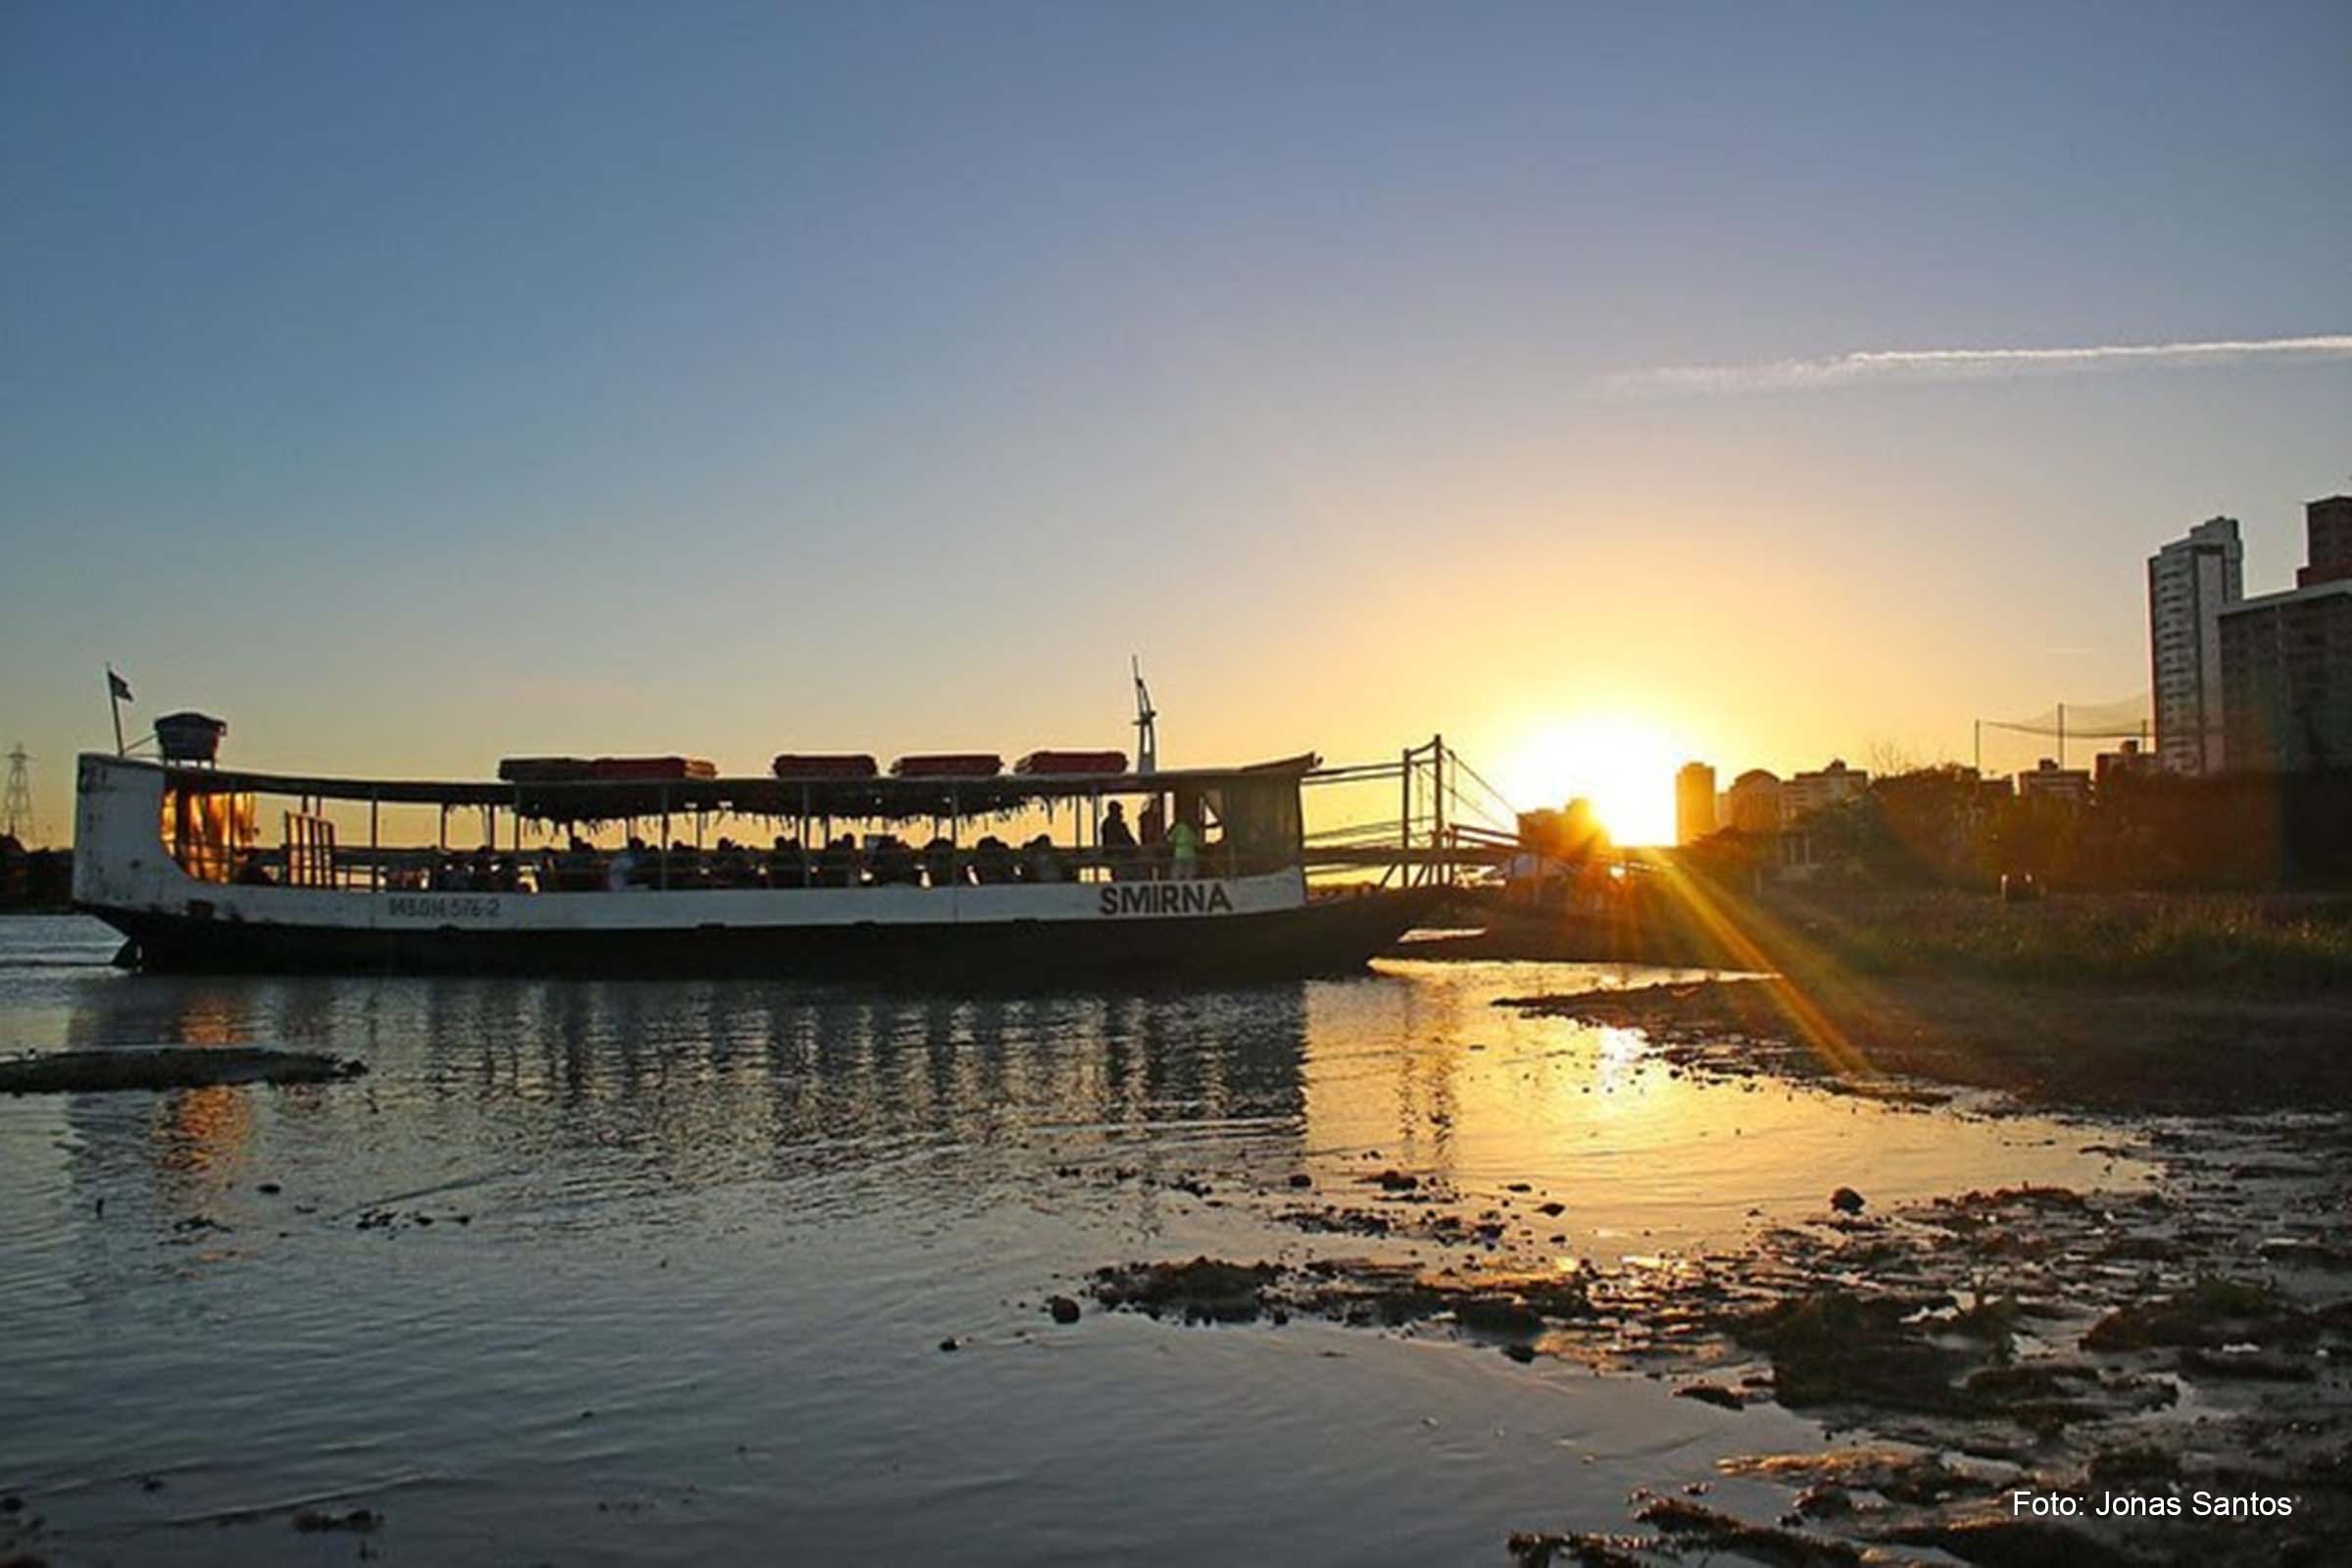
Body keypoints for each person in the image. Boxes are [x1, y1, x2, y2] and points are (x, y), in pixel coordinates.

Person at [1100, 801, 1139, 882]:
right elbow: (1124, 838)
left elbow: (1128, 838)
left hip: (1122, 855)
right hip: (1119, 855)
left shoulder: (1112, 824)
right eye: (1118, 811)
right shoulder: (1112, 824)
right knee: (1122, 874)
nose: (1120, 813)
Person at [1168, 814, 1200, 880]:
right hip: (1191, 855)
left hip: (1180, 854)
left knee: (1176, 875)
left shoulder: (1178, 827)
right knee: (1189, 876)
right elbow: (1197, 843)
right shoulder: (1192, 830)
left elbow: (1170, 839)